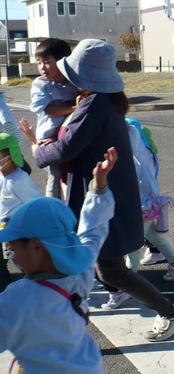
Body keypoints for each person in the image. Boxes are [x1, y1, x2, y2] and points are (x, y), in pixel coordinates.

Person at [31, 39, 174, 342]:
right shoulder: (106, 99)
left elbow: (66, 147)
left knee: (102, 268)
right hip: (108, 194)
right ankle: (168, 312)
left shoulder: (95, 104)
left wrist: (38, 149)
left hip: (105, 197)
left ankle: (169, 312)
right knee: (104, 268)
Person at [0, 147, 118, 373]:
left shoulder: (16, 301)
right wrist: (99, 186)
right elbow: (93, 229)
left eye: (12, 247)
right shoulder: (79, 271)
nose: (11, 253)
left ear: (36, 247)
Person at [123, 118, 174, 284]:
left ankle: (128, 282)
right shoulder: (144, 153)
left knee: (133, 244)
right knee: (154, 236)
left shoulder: (140, 157)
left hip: (143, 205)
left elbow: (130, 133)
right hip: (146, 204)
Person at [29, 38, 77, 198]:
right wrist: (74, 108)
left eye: (47, 62)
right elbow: (48, 109)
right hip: (48, 138)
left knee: (72, 172)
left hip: (69, 135)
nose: (42, 67)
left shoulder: (74, 81)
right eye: (39, 63)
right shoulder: (41, 84)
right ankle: (53, 207)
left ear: (63, 61)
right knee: (55, 174)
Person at [0, 133, 43, 291]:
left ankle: (41, 291)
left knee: (25, 265)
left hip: (18, 230)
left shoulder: (19, 179)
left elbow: (36, 204)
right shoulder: (3, 176)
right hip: (4, 229)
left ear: (9, 156)